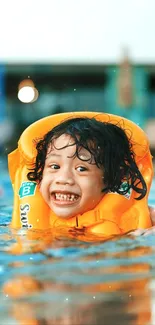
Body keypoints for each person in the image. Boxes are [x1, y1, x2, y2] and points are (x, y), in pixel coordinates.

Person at [8, 112, 154, 239]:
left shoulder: (142, 221)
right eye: (54, 166)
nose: (63, 179)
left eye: (81, 168)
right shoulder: (21, 225)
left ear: (111, 179)